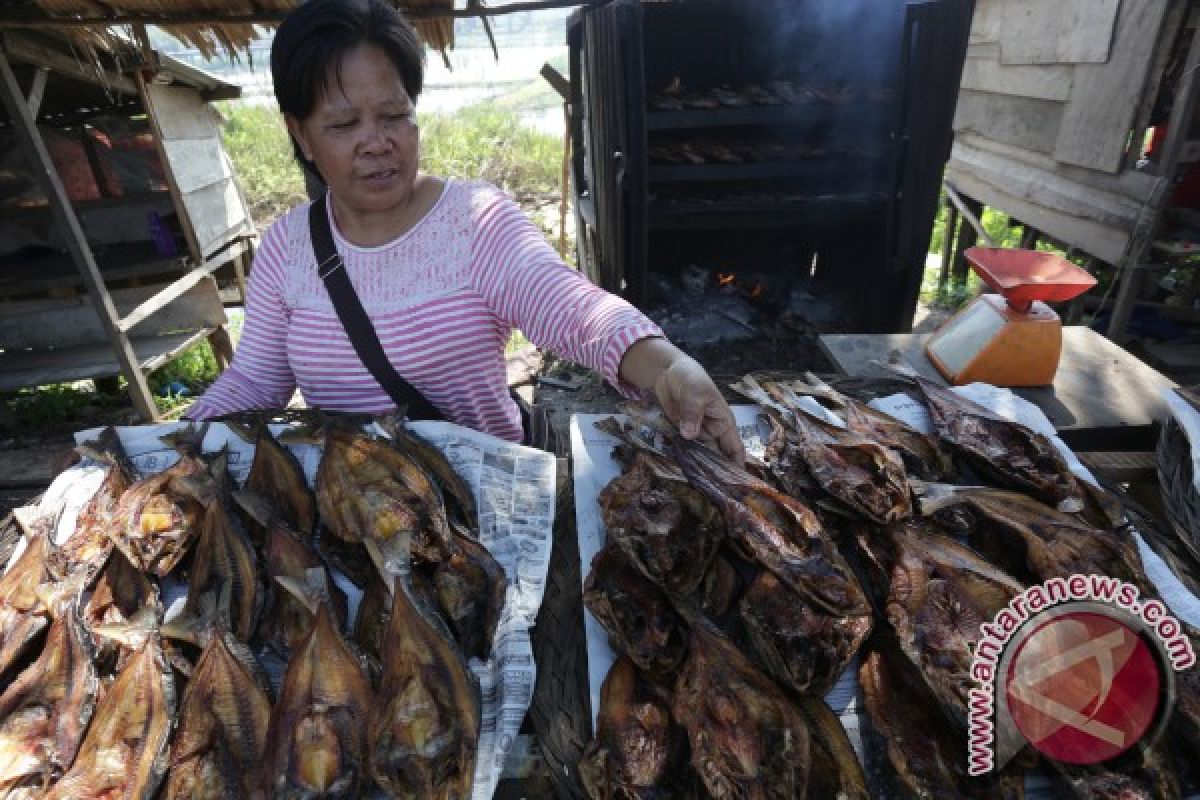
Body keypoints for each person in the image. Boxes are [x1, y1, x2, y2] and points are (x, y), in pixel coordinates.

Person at [187, 0, 743, 462]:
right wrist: (172, 445)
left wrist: (669, 364)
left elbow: (574, 309)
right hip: (356, 510)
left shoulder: (475, 222)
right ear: (300, 134)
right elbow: (257, 380)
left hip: (488, 500)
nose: (376, 142)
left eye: (394, 115)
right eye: (342, 124)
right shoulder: (288, 247)